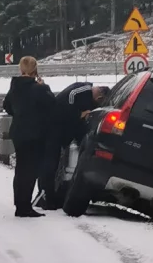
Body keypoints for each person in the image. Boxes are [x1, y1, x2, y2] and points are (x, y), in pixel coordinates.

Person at [35, 82, 111, 210]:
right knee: (49, 165)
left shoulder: (86, 99)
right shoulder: (80, 91)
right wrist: (78, 114)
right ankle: (44, 197)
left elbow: (77, 126)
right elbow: (63, 107)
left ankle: (49, 197)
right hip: (52, 131)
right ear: (99, 98)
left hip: (59, 135)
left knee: (54, 166)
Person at [3, 56, 55, 217]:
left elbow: (7, 106)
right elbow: (52, 105)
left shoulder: (15, 87)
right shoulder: (38, 88)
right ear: (35, 70)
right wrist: (45, 86)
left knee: (20, 169)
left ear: (20, 69)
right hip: (34, 134)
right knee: (30, 171)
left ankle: (20, 203)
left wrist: (20, 115)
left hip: (19, 132)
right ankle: (24, 207)